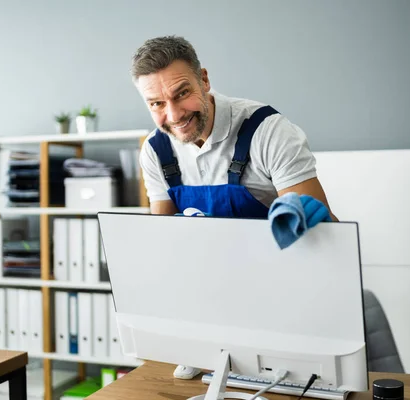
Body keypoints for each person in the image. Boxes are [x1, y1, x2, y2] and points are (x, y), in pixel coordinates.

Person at [131, 35, 338, 378]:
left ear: (205, 80)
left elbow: (323, 240)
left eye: (182, 93)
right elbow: (164, 246)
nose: (173, 114)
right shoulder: (156, 151)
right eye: (156, 104)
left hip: (286, 301)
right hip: (209, 308)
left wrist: (309, 216)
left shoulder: (267, 131)